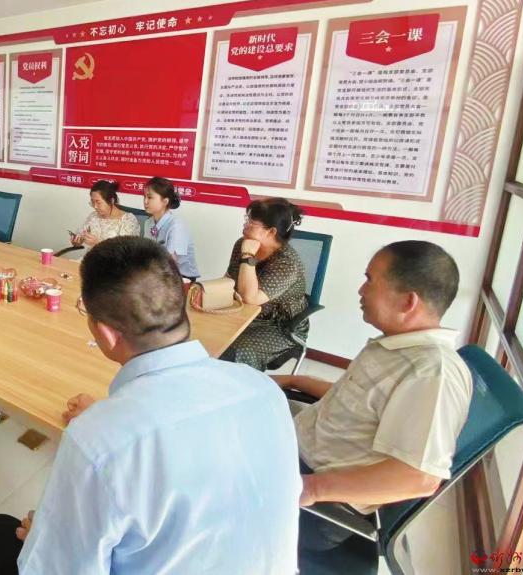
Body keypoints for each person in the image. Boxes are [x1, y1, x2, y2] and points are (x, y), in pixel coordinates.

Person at [0, 236, 300, 575]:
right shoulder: (262, 389)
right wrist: (109, 418)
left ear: (106, 333)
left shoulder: (95, 442)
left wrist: (41, 539)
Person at [270, 241, 472, 554]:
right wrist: (297, 379)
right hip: (296, 448)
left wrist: (309, 488)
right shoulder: (398, 346)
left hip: (316, 500)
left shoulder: (432, 373)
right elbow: (358, 404)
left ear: (408, 301)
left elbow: (420, 477)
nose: (361, 290)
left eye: (370, 280)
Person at [220, 198, 308, 370]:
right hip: (243, 313)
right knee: (205, 331)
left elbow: (251, 298)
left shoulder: (287, 262)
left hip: (281, 326)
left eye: (251, 223)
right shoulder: (242, 244)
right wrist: (205, 292)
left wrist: (247, 256)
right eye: (247, 220)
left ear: (271, 231)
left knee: (236, 350)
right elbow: (228, 279)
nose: (245, 226)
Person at [142, 176, 200, 280]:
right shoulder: (148, 223)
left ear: (165, 201)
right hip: (158, 273)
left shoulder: (177, 226)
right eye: (144, 196)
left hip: (181, 277)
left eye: (150, 197)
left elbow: (171, 262)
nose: (145, 201)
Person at [69, 180, 140, 251]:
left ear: (111, 201)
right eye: (92, 202)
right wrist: (77, 241)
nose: (95, 206)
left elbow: (126, 252)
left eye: (98, 203)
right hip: (90, 256)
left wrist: (98, 244)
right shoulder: (93, 216)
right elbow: (81, 234)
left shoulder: (128, 220)